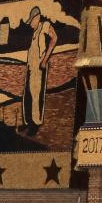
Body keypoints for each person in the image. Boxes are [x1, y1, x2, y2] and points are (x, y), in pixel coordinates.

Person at [21, 7, 58, 135]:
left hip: (38, 66)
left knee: (36, 94)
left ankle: (35, 123)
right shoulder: (35, 32)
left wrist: (45, 60)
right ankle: (28, 122)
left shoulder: (44, 26)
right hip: (31, 66)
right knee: (28, 94)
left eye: (31, 21)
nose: (30, 24)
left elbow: (54, 39)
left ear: (37, 18)